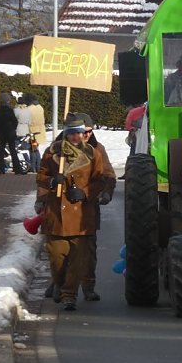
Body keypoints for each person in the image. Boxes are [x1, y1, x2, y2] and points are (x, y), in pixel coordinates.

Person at [35, 115, 108, 311]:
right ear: (66, 134)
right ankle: (60, 284)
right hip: (56, 215)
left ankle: (69, 295)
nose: (77, 136)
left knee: (78, 262)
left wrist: (84, 193)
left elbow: (101, 180)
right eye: (73, 133)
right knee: (57, 259)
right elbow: (41, 176)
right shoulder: (52, 153)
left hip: (82, 216)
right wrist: (51, 182)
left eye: (80, 132)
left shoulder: (93, 154)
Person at [76, 112, 116, 301]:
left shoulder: (97, 149)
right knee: (60, 249)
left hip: (87, 208)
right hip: (62, 208)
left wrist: (107, 191)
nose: (85, 136)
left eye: (88, 132)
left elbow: (108, 174)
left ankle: (88, 285)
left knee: (88, 250)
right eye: (81, 132)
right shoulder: (58, 149)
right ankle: (59, 283)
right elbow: (44, 176)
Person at [0, 91, 23, 174]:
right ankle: (17, 169)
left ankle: (1, 169)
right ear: (7, 100)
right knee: (13, 150)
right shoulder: (9, 110)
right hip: (10, 132)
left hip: (1, 132)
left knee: (1, 150)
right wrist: (13, 128)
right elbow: (15, 121)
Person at [27, 94, 46, 172]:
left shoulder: (29, 109)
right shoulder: (40, 107)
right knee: (36, 149)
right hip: (40, 131)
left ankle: (33, 167)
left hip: (32, 131)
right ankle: (38, 166)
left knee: (32, 150)